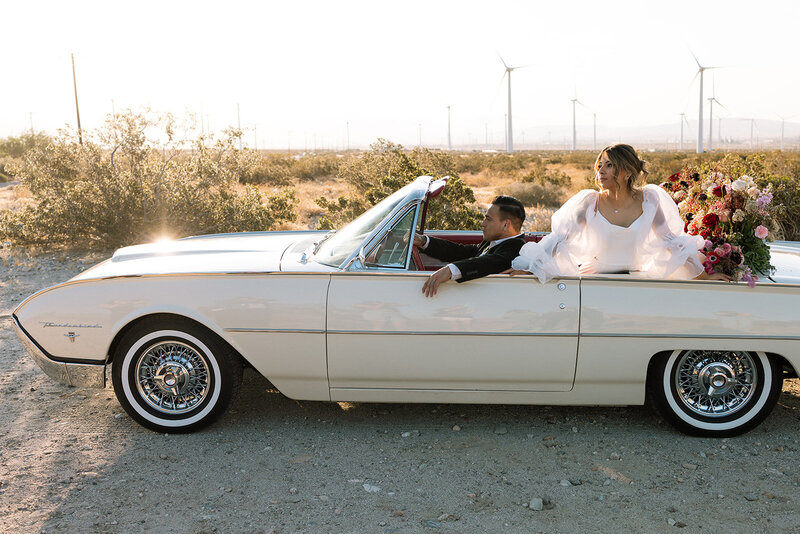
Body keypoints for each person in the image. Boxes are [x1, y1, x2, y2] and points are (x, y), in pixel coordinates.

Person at [508, 144, 730, 282]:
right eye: (600, 165)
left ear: (626, 171)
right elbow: (558, 241)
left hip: (635, 279)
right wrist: (531, 269)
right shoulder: (589, 203)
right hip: (596, 281)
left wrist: (704, 276)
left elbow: (672, 243)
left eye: (609, 165)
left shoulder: (649, 199)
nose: (601, 171)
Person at [415, 195, 527, 297]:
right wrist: (423, 241)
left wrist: (450, 270)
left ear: (506, 225)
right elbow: (461, 252)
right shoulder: (494, 241)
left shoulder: (516, 248)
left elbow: (489, 263)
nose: (483, 224)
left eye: (488, 219)